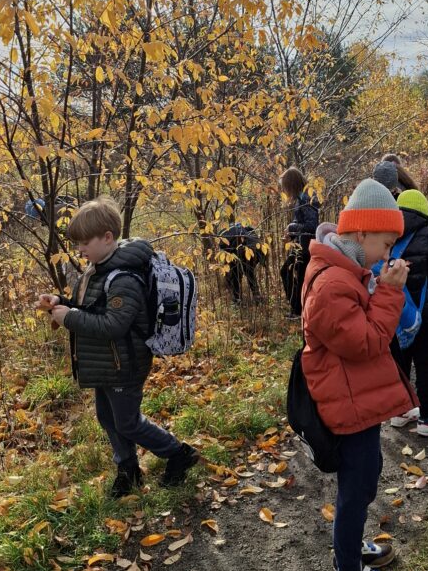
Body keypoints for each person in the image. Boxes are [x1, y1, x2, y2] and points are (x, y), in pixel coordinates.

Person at [302, 178, 418, 571]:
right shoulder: (333, 283)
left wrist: (377, 286)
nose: (387, 255)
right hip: (347, 403)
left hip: (355, 398)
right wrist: (390, 293)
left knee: (364, 480)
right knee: (357, 486)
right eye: (385, 244)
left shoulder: (348, 270)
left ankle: (350, 548)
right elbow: (367, 342)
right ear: (362, 233)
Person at [37, 197, 199, 498]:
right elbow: (94, 308)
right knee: (107, 418)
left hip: (126, 363)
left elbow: (114, 325)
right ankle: (128, 470)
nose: (79, 250)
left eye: (85, 242)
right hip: (106, 363)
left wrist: (69, 318)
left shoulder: (123, 277)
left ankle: (178, 453)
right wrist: (63, 303)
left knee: (127, 421)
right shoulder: (97, 269)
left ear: (108, 237)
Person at [388, 189, 428, 436]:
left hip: (395, 311)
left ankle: (400, 411)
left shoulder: (389, 232)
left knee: (399, 362)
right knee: (426, 364)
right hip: (424, 313)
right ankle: (427, 418)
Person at [279, 166, 320, 317]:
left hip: (307, 248)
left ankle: (300, 311)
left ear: (292, 184)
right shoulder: (301, 197)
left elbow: (312, 226)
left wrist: (291, 227)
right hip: (301, 246)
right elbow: (302, 223)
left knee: (293, 275)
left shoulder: (306, 198)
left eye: (285, 187)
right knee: (292, 274)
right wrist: (291, 234)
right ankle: (298, 310)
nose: (284, 191)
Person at [218, 223, 264, 304]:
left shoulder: (223, 236)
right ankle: (257, 296)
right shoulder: (246, 230)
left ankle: (237, 299)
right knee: (249, 273)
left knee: (236, 274)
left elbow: (226, 254)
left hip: (243, 250)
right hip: (255, 249)